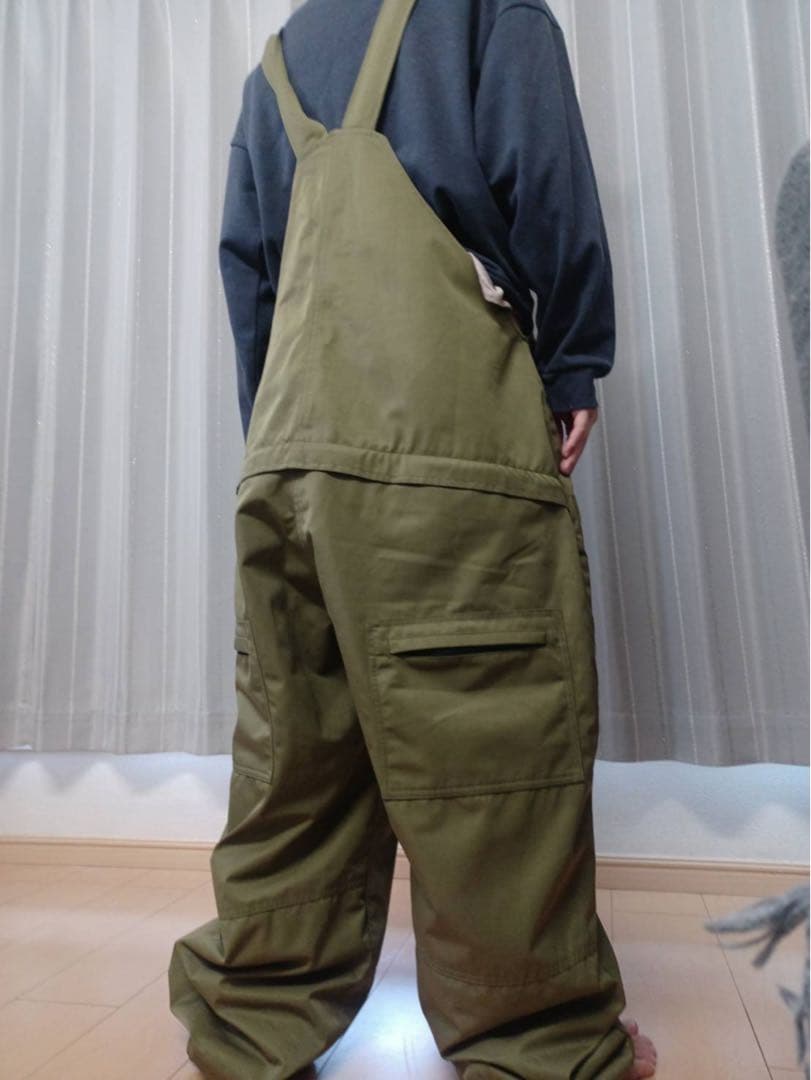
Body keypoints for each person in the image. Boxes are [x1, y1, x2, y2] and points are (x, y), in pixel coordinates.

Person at [169, 2, 658, 1077]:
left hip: (288, 455)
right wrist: (573, 359)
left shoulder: (276, 65)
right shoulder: (485, 12)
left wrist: (289, 443)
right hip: (441, 437)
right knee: (490, 753)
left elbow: (252, 278)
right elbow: (546, 184)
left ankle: (250, 1029)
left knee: (295, 767)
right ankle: (533, 1045)